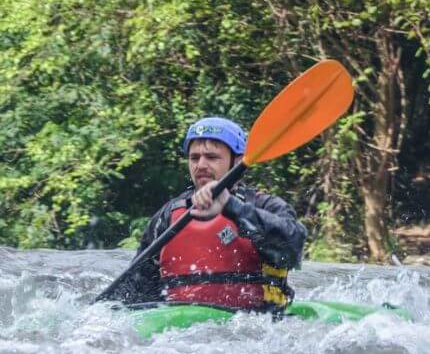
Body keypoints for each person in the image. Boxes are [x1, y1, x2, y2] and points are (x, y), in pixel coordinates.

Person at [106, 116, 306, 310]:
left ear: (236, 162)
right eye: (194, 158)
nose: (200, 165)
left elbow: (292, 248)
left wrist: (231, 206)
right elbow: (138, 286)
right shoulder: (169, 215)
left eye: (211, 157)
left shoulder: (264, 205)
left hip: (254, 326)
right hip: (180, 333)